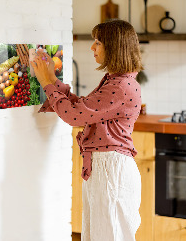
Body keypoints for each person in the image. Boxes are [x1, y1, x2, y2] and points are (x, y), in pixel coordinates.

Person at [31, 19, 143, 241]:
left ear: (114, 47)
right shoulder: (116, 81)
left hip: (111, 170)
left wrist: (46, 82)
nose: (92, 47)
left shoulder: (120, 86)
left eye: (98, 42)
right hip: (106, 168)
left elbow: (74, 116)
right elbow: (82, 108)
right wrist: (52, 79)